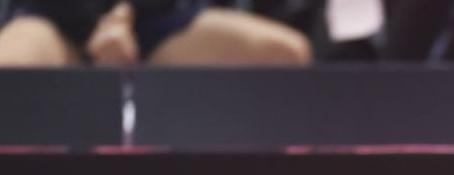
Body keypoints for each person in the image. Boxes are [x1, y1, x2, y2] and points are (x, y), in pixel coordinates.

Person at [0, 0, 311, 66]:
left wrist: (126, 13)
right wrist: (94, 28)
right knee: (9, 69)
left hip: (154, 18)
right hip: (55, 19)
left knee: (283, 54)